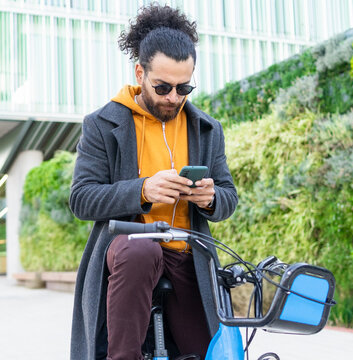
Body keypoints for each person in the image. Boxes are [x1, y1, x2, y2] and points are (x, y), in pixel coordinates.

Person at [69, 4, 238, 359]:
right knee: (140, 248)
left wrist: (209, 198)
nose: (173, 98)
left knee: (206, 350)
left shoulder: (207, 130)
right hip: (129, 250)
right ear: (139, 72)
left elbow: (228, 198)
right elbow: (82, 199)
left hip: (188, 252)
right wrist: (143, 190)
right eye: (162, 87)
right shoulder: (102, 124)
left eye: (183, 88)